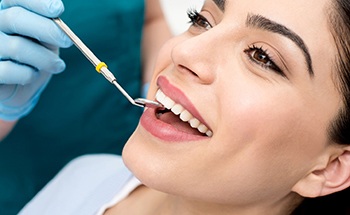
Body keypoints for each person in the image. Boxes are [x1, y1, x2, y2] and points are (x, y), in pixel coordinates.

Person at [11, 0, 350, 213]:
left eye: (262, 57)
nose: (183, 52)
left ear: (331, 166)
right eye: (202, 20)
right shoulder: (84, 175)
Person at [0, 0, 171, 214]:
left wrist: (156, 90)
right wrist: (5, 109)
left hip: (126, 149)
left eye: (201, 21)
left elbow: (152, 19)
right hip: (24, 177)